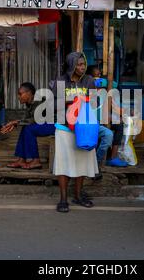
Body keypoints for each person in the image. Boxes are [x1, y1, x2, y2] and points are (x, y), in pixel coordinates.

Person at [51, 52, 99, 213]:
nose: (82, 67)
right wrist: (73, 99)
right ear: (71, 65)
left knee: (81, 163)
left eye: (83, 64)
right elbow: (53, 103)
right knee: (63, 163)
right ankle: (63, 199)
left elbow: (94, 102)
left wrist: (84, 99)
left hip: (83, 129)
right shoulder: (60, 81)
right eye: (79, 65)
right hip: (64, 128)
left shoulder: (89, 81)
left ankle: (78, 195)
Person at [5, 82, 56, 170]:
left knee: (29, 129)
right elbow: (26, 120)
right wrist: (16, 123)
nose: (18, 97)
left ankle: (35, 160)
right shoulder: (29, 103)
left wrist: (17, 122)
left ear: (29, 93)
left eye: (20, 94)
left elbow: (35, 119)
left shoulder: (39, 101)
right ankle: (21, 159)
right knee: (25, 128)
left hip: (55, 125)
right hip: (45, 124)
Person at [87, 66, 128, 168]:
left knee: (119, 125)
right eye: (96, 76)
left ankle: (113, 158)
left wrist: (122, 113)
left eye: (99, 75)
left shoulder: (105, 91)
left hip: (103, 119)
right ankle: (95, 161)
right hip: (91, 121)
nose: (98, 78)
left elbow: (113, 85)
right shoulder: (87, 88)